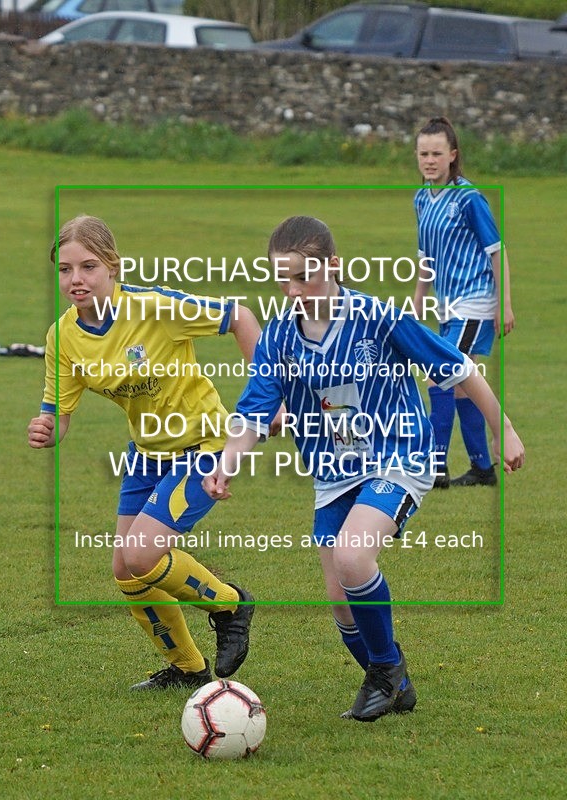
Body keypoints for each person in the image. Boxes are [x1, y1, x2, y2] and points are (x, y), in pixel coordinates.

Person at [202, 215, 525, 721]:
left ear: (334, 266)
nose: (292, 291)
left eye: (303, 276)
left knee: (353, 559)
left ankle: (384, 676)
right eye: (282, 279)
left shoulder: (378, 318)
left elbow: (458, 367)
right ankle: (392, 676)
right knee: (340, 598)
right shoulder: (280, 339)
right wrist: (227, 462)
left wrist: (502, 428)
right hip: (333, 472)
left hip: (399, 453)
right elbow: (253, 411)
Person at [28, 215, 260, 691]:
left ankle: (230, 604)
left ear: (113, 267)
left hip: (204, 443)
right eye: (66, 269)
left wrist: (265, 391)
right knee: (125, 570)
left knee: (141, 554)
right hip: (147, 453)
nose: (76, 279)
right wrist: (48, 428)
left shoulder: (153, 308)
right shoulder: (63, 337)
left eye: (88, 266)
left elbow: (239, 316)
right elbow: (60, 414)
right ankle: (187, 668)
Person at [413, 116, 515, 488]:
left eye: (437, 153)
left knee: (442, 375)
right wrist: (420, 298)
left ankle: (434, 467)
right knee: (460, 384)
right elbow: (427, 255)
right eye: (423, 153)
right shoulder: (422, 198)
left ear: (452, 155)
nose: (429, 160)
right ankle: (482, 468)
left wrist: (503, 304)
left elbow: (496, 251)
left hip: (474, 302)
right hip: (447, 306)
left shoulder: (469, 198)